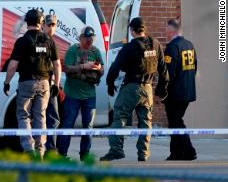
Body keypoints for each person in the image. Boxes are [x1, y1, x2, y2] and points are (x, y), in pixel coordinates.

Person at [100, 17, 169, 162]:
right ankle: (143, 153)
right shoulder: (155, 44)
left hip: (132, 87)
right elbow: (163, 69)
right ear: (144, 29)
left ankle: (116, 150)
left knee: (119, 117)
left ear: (132, 30)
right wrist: (162, 89)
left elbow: (115, 67)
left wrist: (110, 84)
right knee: (145, 122)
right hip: (148, 89)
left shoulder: (129, 47)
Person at [3, 9, 61, 158]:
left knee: (23, 116)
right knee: (41, 117)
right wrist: (56, 84)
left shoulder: (22, 41)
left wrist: (7, 82)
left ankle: (29, 149)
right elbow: (57, 65)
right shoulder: (49, 41)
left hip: (26, 82)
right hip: (44, 84)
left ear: (26, 22)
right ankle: (40, 152)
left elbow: (13, 65)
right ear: (41, 22)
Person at [57, 26, 104, 161]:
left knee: (88, 126)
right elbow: (66, 68)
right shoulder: (73, 50)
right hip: (72, 95)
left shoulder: (95, 52)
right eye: (87, 38)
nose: (89, 41)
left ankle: (85, 154)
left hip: (89, 95)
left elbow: (102, 70)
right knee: (68, 123)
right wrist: (84, 66)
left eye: (91, 38)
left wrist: (98, 68)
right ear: (81, 38)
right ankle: (62, 154)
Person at [164, 19, 197, 160]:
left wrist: (161, 92)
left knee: (176, 121)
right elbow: (195, 68)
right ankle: (176, 152)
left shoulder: (172, 47)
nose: (165, 33)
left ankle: (189, 151)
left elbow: (168, 74)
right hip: (188, 91)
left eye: (166, 30)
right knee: (174, 121)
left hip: (175, 94)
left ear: (171, 31)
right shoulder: (189, 45)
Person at [41, 14, 62, 153]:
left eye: (53, 25)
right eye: (49, 25)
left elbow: (57, 66)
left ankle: (51, 150)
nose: (51, 28)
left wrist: (56, 84)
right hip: (40, 85)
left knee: (53, 119)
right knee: (38, 119)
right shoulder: (39, 40)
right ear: (43, 25)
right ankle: (38, 150)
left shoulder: (53, 43)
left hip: (50, 83)